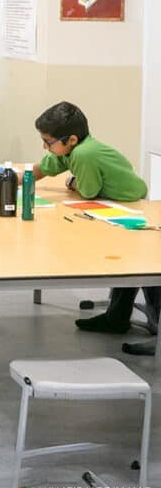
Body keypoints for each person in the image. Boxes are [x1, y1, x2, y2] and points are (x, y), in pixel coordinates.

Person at [32, 101, 150, 335]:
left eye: (48, 142)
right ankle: (117, 316)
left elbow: (88, 191)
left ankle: (117, 318)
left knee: (127, 261)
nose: (45, 146)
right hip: (114, 203)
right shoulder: (74, 148)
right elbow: (45, 167)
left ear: (71, 140)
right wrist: (13, 178)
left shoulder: (83, 154)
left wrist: (71, 182)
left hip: (128, 205)